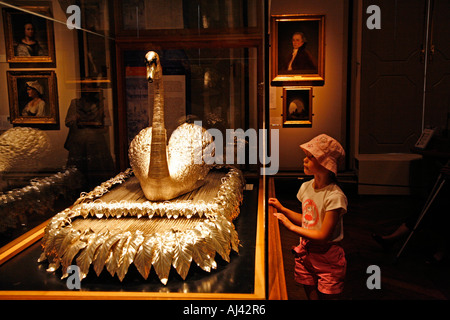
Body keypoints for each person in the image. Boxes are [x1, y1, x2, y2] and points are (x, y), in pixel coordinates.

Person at [269, 134, 347, 300]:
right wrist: (283, 209)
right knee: (310, 293)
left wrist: (290, 226)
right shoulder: (306, 187)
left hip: (327, 257)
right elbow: (308, 220)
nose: (305, 160)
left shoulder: (335, 197)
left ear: (326, 165)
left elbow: (323, 235)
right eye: (306, 156)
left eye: (311, 157)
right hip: (306, 252)